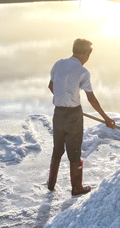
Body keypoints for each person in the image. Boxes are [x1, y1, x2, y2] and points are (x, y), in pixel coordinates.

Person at [48, 38, 115, 195]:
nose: (87, 60)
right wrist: (106, 118)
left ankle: (51, 184)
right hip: (73, 116)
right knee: (74, 152)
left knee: (57, 149)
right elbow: (91, 98)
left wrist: (64, 100)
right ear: (86, 54)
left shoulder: (59, 64)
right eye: (88, 56)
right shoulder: (83, 72)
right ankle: (77, 188)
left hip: (58, 113)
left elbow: (51, 86)